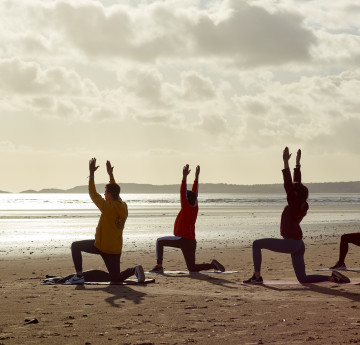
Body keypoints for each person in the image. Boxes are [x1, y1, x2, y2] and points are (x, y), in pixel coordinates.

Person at [243, 147, 350, 284]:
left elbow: (288, 184)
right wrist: (297, 164)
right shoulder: (302, 205)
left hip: (291, 243)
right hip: (298, 245)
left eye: (294, 191)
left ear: (295, 194)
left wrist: (285, 163)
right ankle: (332, 278)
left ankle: (256, 277)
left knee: (256, 244)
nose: (292, 190)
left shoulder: (294, 205)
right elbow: (296, 184)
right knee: (303, 279)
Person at [65, 158, 145, 284]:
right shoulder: (123, 206)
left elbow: (93, 194)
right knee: (115, 278)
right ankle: (133, 270)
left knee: (75, 246)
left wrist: (91, 174)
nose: (103, 195)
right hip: (115, 249)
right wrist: (111, 176)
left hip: (102, 246)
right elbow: (116, 191)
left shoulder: (107, 207)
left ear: (108, 194)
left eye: (105, 193)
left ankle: (79, 276)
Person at [150, 164, 225, 273]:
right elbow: (195, 193)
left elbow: (183, 192)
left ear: (187, 199)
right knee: (192, 268)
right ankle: (212, 265)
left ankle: (159, 266)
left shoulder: (186, 207)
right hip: (191, 241)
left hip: (181, 239)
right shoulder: (195, 207)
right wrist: (196, 178)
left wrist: (184, 177)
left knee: (159, 241)